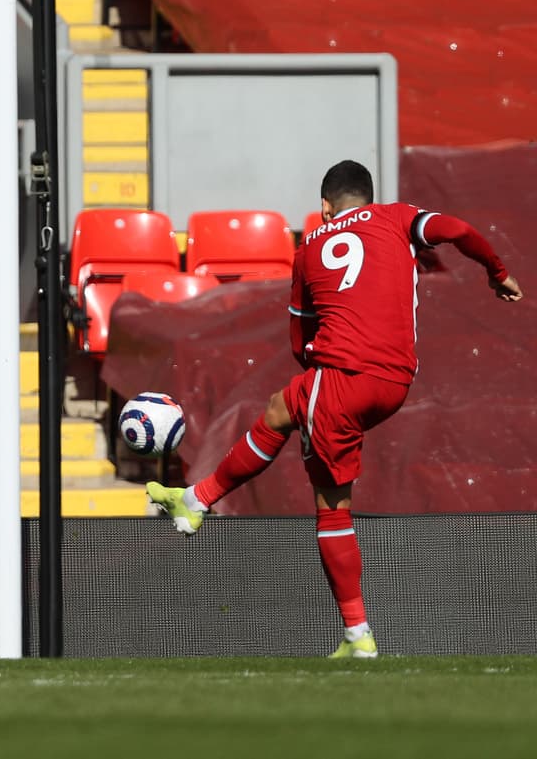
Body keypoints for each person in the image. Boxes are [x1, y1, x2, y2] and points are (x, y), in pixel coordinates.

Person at [147, 159, 523, 658]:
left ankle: (357, 635)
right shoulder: (397, 217)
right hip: (395, 380)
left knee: (330, 507)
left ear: (324, 208)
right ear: (369, 197)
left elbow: (299, 339)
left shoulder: (308, 252)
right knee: (282, 407)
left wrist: (324, 385)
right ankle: (197, 500)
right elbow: (458, 229)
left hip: (341, 382)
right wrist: (496, 272)